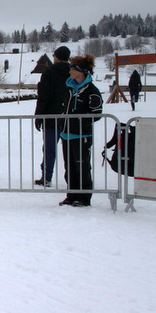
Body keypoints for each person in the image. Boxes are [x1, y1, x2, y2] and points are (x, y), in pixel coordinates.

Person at [59, 55, 103, 207]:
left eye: (73, 68)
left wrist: (79, 122)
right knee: (69, 167)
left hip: (81, 135)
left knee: (82, 166)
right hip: (66, 134)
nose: (70, 70)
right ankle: (71, 195)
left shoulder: (91, 91)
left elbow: (96, 113)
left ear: (81, 71)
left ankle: (84, 197)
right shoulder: (69, 87)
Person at [33, 45, 71, 187]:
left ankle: (47, 177)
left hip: (50, 117)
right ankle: (73, 179)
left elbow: (44, 97)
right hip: (69, 117)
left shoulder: (49, 72)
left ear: (56, 56)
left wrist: (39, 116)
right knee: (70, 150)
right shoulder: (74, 72)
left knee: (49, 148)